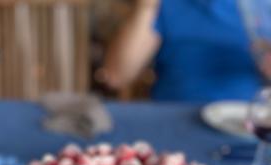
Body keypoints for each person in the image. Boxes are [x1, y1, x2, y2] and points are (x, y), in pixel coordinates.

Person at [99, 0, 263, 102]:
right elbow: (116, 76)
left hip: (247, 119)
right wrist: (146, 7)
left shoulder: (262, 8)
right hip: (173, 116)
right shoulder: (168, 3)